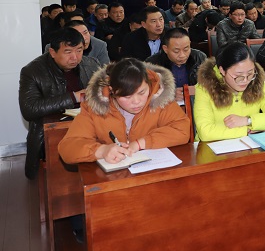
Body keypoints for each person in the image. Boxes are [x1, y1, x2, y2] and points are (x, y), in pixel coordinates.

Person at [57, 58, 190, 164]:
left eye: (142, 92)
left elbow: (182, 129)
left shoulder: (159, 98)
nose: (136, 101)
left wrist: (141, 143)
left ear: (149, 84)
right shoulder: (95, 107)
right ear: (112, 91)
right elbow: (68, 147)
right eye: (127, 96)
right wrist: (102, 150)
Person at [18, 28, 99, 179]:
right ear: (52, 52)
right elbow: (29, 109)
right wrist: (73, 97)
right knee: (59, 179)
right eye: (68, 52)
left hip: (88, 127)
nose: (75, 57)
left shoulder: (91, 64)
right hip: (50, 134)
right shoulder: (32, 71)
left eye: (79, 50)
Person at [194, 42, 265, 141]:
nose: (245, 80)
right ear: (222, 71)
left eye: (250, 74)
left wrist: (248, 120)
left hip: (249, 146)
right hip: (211, 147)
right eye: (238, 76)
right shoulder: (205, 87)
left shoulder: (257, 83)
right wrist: (247, 130)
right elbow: (205, 132)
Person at [146, 27, 207, 98]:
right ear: (165, 49)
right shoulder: (152, 64)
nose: (182, 55)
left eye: (186, 49)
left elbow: (210, 85)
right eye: (176, 51)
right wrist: (168, 94)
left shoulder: (200, 57)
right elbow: (147, 92)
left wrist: (196, 90)